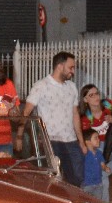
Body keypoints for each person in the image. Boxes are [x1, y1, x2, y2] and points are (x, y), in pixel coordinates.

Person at [23, 52, 85, 185]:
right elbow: (26, 112)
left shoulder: (72, 87)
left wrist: (81, 141)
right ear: (60, 66)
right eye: (70, 67)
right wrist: (20, 135)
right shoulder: (41, 86)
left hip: (70, 140)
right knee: (53, 179)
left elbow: (75, 114)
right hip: (50, 141)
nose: (73, 71)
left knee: (77, 178)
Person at [79, 84, 112, 174]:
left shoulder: (107, 104)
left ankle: (101, 175)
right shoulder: (85, 117)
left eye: (97, 93)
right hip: (97, 144)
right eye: (91, 95)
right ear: (85, 100)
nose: (96, 97)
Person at [79, 128, 109, 202]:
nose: (98, 140)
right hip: (87, 184)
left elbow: (102, 164)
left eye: (98, 137)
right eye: (95, 138)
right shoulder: (84, 154)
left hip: (98, 183)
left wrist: (105, 168)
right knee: (86, 202)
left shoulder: (99, 153)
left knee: (96, 202)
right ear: (87, 141)